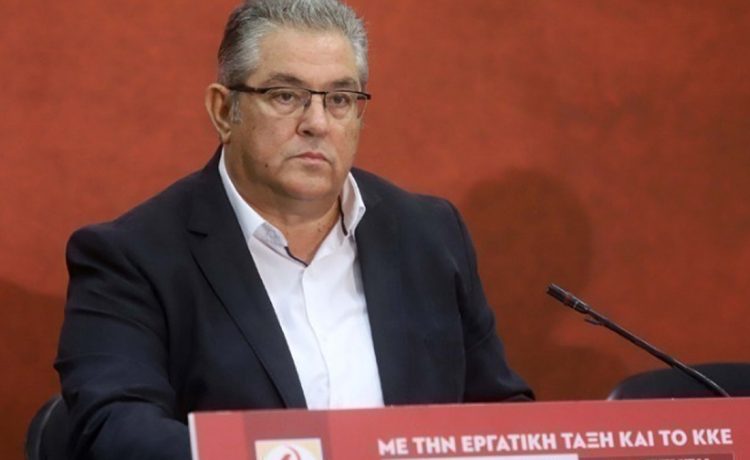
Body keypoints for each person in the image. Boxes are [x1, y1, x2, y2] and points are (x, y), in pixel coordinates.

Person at [55, 0, 533, 458]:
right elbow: (116, 430)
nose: (317, 123)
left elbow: (497, 412)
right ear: (223, 111)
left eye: (339, 99)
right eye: (286, 96)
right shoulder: (132, 257)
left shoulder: (430, 235)